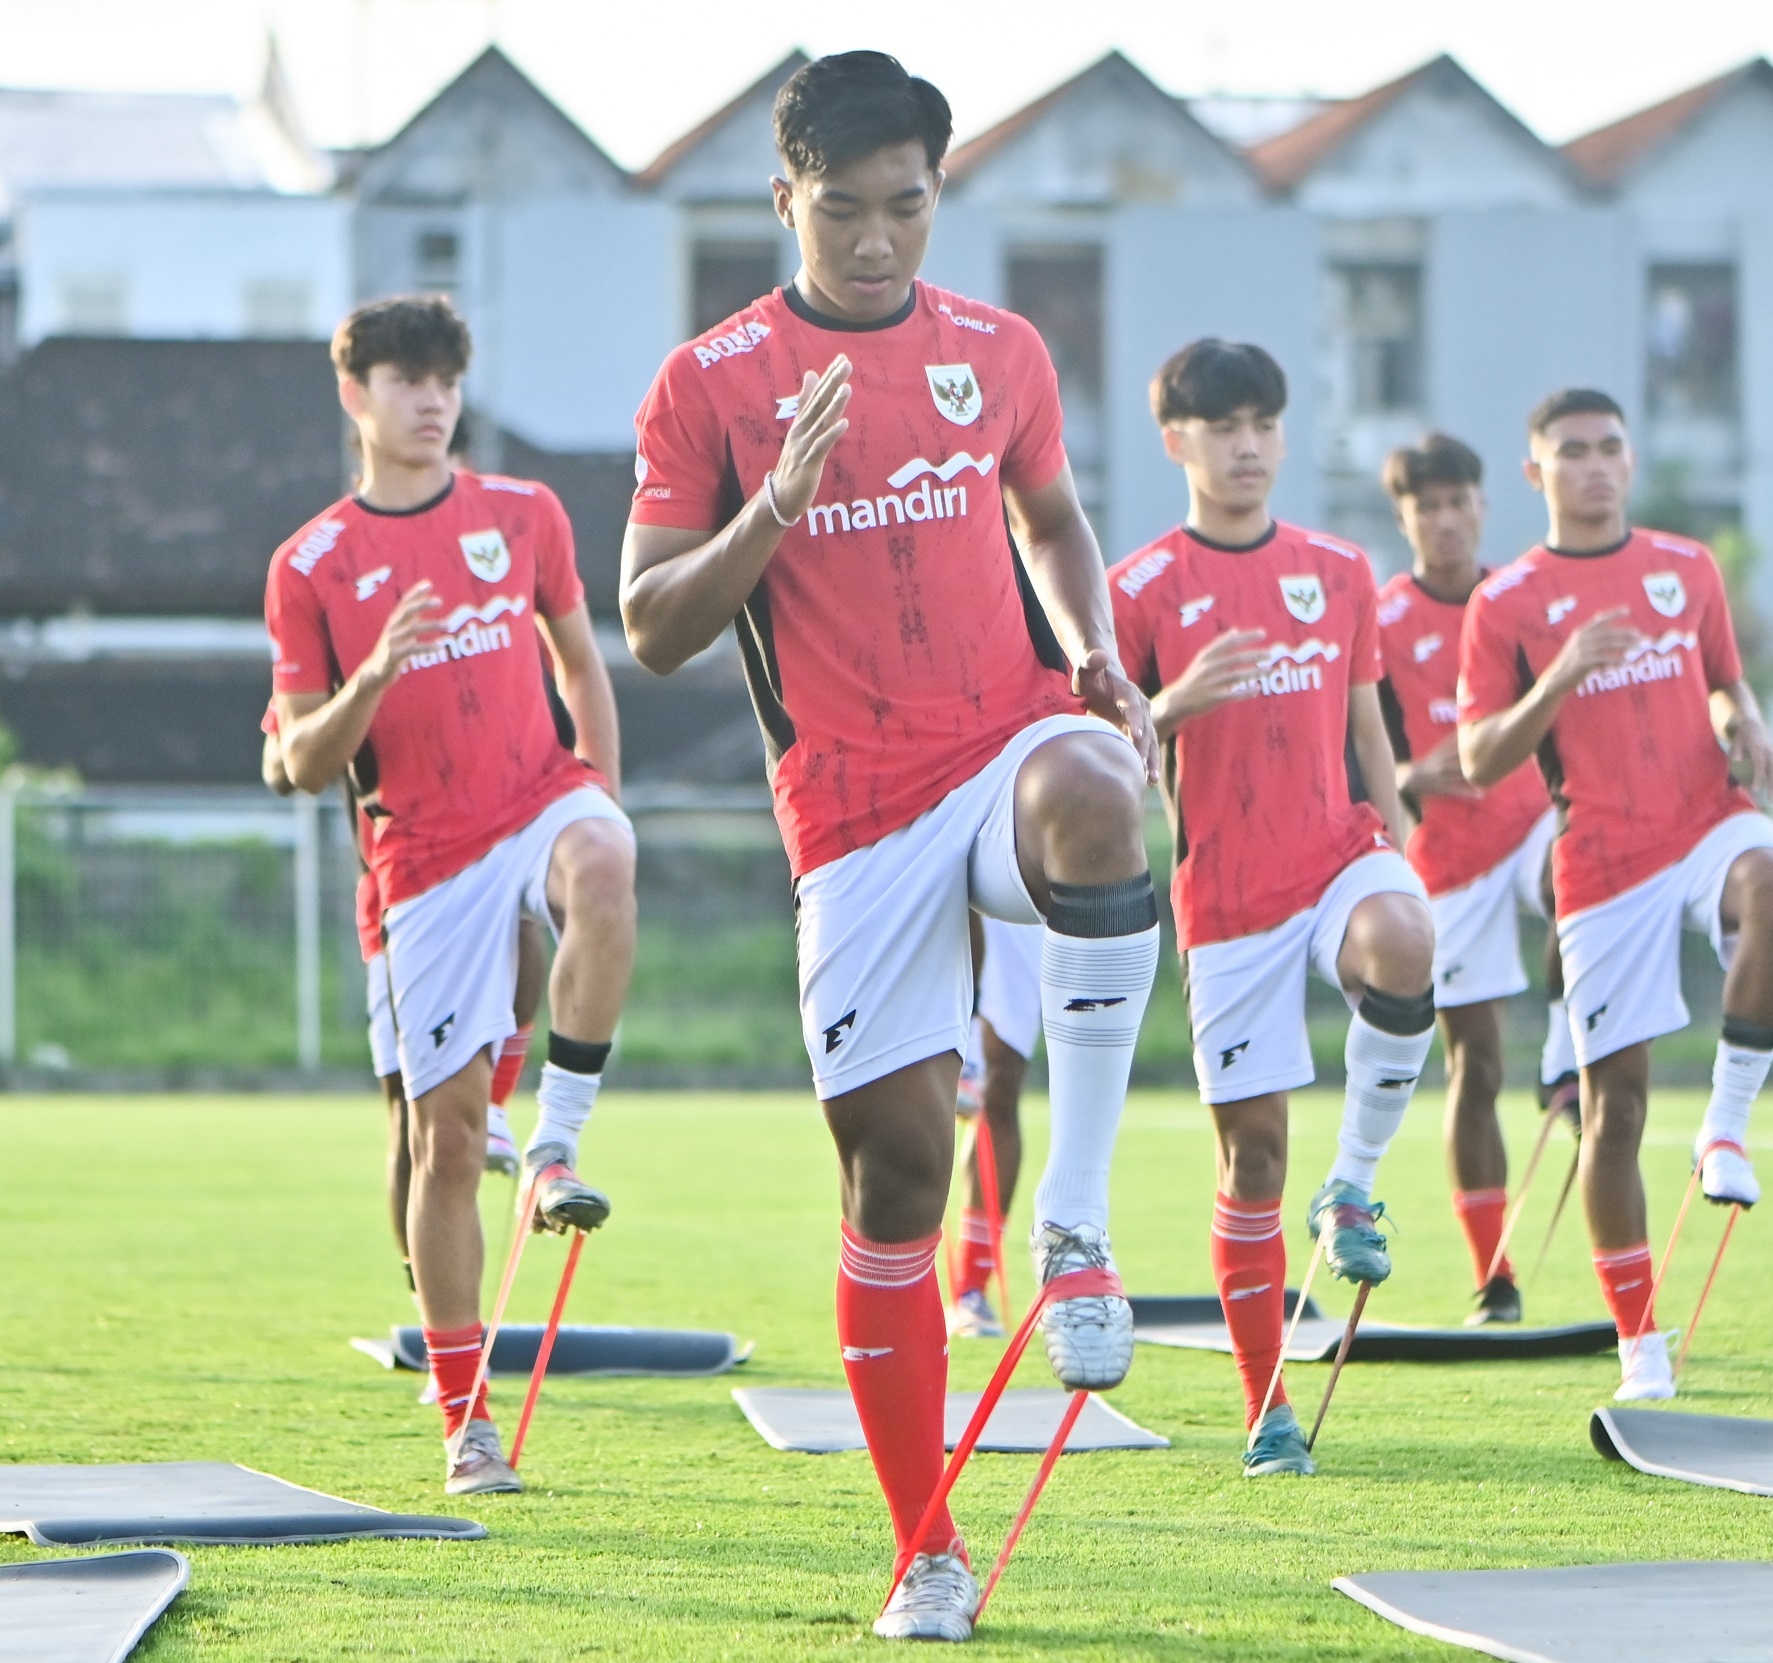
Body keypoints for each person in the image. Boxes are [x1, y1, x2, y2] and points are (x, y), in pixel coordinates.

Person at [617, 52, 1159, 1643]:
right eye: (840, 209)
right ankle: (926, 1545)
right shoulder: (707, 382)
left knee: (1100, 795)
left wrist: (1097, 644)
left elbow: (1054, 519)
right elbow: (652, 625)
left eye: (905, 206)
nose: (875, 239)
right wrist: (772, 504)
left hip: (1005, 745)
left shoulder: (999, 350)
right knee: (896, 1176)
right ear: (784, 199)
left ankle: (1073, 1213)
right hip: (851, 823)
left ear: (940, 192)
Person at [266, 294, 639, 1495]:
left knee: (603, 863)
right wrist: (375, 670)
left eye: (445, 380)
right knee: (432, 1137)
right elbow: (303, 760)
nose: (430, 402)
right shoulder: (312, 564)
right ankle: (464, 1412)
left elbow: (580, 655)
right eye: (405, 380)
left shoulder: (523, 513)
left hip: (537, 797)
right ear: (355, 395)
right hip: (419, 867)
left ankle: (556, 1147)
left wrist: (602, 788)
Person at [1108, 339, 1437, 1480]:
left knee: (1403, 938)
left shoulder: (1341, 568)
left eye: (1262, 425)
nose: (1246, 447)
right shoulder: (1138, 588)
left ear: (1283, 435)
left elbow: (1367, 729)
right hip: (1226, 895)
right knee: (1251, 1160)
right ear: (1177, 443)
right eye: (1221, 428)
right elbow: (1101, 751)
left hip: (1337, 852)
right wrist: (1170, 701)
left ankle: (1352, 1186)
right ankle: (1265, 1407)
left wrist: (1398, 840)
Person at [1455, 388, 1773, 1403]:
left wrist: (1747, 720)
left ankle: (1728, 1126)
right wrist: (1560, 673)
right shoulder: (1508, 602)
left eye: (1610, 448)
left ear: (1631, 459)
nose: (1595, 466)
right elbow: (1479, 755)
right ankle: (1639, 1345)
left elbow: (1725, 681)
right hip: (1602, 863)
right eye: (1571, 452)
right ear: (1536, 473)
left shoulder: (1686, 567)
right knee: (1613, 1115)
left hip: (1702, 816)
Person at [1371, 433, 1580, 1326]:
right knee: (1474, 1067)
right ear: (1405, 515)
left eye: (1460, 502)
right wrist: (1417, 777)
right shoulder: (1377, 623)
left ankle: (1567, 1043)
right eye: (1428, 506)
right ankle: (1493, 1273)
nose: (1446, 520)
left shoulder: (1519, 603)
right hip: (1447, 865)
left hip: (1530, 823)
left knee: (1585, 870)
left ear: (1484, 506)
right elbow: (1361, 754)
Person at [949, 913, 1043, 1339]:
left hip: (1027, 885)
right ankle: (893, 1286)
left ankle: (972, 1289)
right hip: (932, 862)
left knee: (1000, 1091)